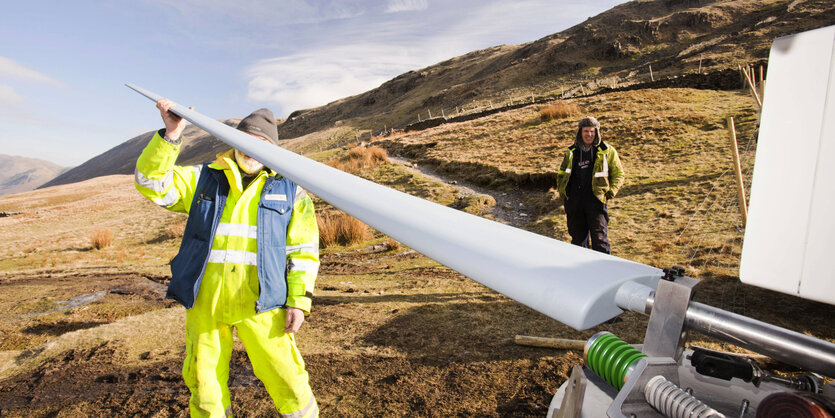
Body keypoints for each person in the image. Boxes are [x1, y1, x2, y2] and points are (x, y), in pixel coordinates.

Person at [135, 98, 320, 417]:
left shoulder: (291, 191)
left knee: (288, 379)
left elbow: (302, 250)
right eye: (246, 139)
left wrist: (299, 300)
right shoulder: (203, 179)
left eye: (261, 143)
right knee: (206, 387)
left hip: (264, 304)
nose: (252, 148)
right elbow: (151, 183)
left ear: (273, 149)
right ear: (235, 141)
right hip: (206, 303)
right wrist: (172, 135)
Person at [556, 116, 625, 254]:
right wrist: (563, 192)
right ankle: (580, 271)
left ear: (597, 132)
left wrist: (611, 191)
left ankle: (605, 269)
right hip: (575, 202)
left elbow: (619, 174)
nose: (589, 134)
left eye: (592, 131)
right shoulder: (571, 152)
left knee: (600, 239)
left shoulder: (606, 151)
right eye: (586, 131)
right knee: (577, 240)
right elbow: (562, 174)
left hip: (596, 201)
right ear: (580, 132)